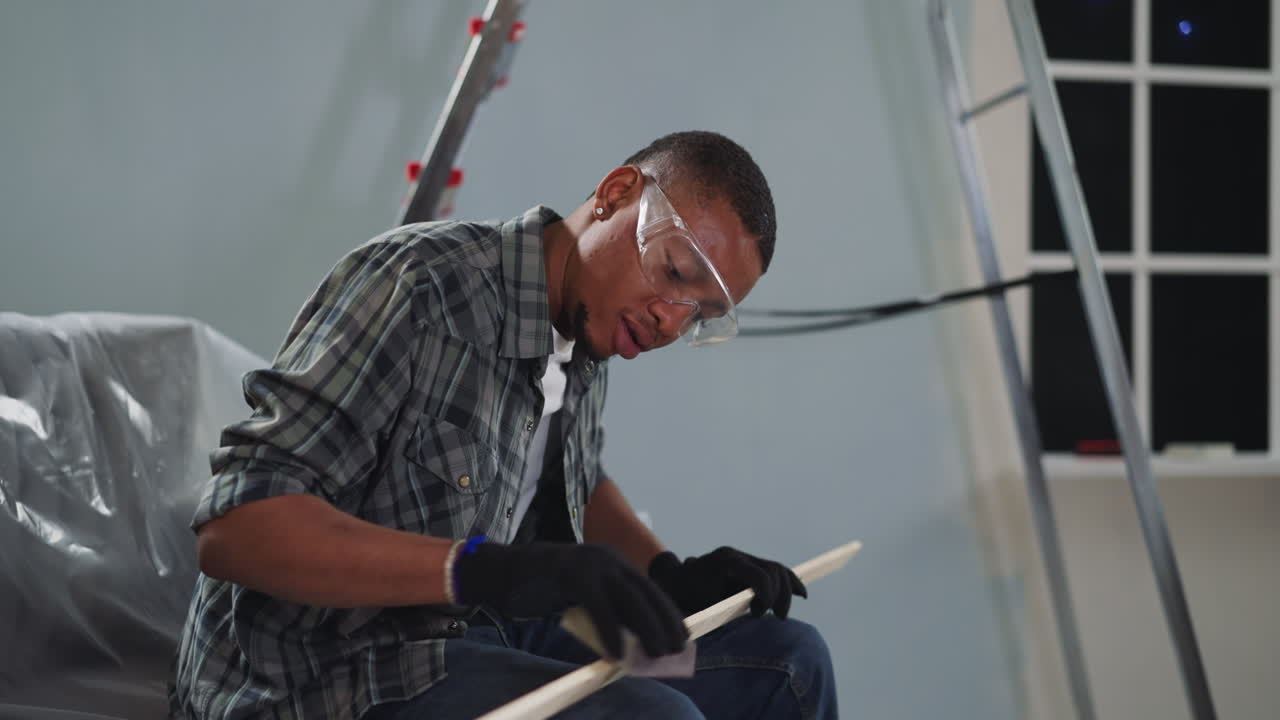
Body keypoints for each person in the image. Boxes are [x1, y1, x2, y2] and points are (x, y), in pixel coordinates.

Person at [171, 130, 836, 719]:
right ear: (616, 193)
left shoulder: (593, 326)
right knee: (653, 716)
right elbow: (237, 529)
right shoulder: (420, 287)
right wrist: (484, 571)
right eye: (673, 272)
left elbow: (572, 477)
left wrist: (666, 574)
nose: (670, 320)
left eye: (699, 314)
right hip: (334, 670)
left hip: (484, 633)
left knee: (788, 667)